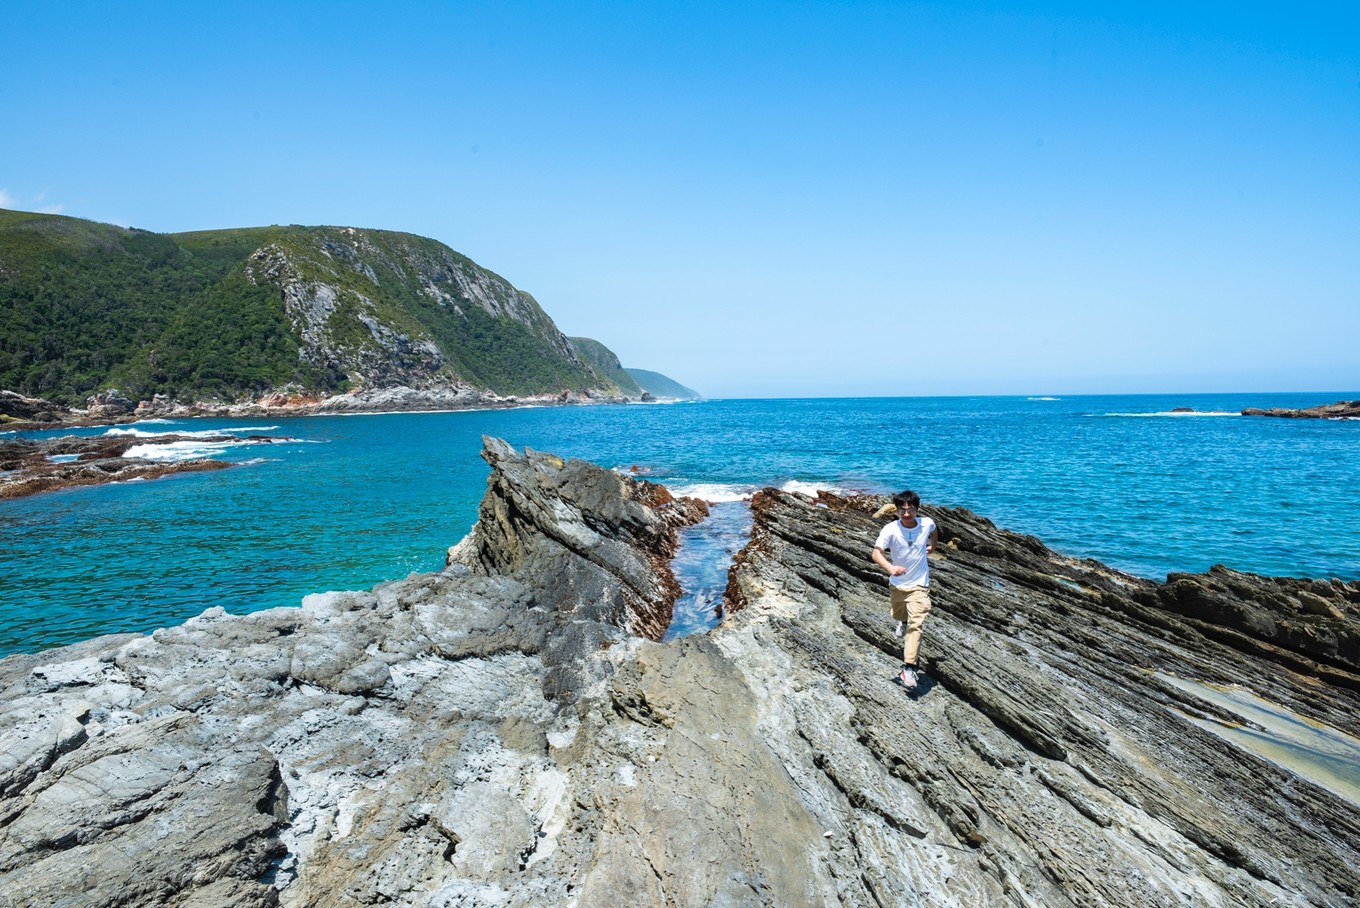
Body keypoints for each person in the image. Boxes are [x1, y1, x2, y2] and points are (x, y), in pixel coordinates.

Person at [871, 490, 938, 691]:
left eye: (910, 510)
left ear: (917, 509)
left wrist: (932, 547)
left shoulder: (927, 523)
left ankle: (909, 667)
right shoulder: (890, 529)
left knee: (916, 624)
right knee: (899, 615)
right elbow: (876, 553)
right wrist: (891, 568)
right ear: (896, 510)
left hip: (919, 584)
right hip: (898, 584)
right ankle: (902, 620)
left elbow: (934, 531)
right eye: (902, 510)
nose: (906, 514)